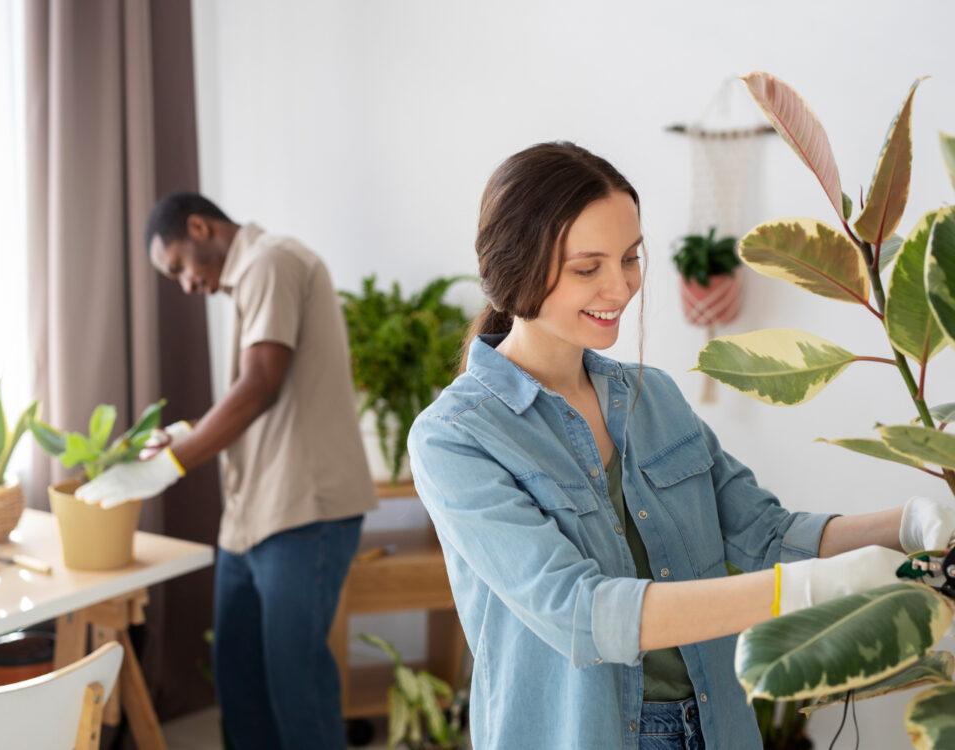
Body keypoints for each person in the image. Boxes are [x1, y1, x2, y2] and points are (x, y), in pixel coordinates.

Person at [406, 142, 955, 750]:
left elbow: (765, 533)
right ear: (517, 268)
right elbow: (581, 612)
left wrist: (907, 525)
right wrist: (800, 592)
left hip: (716, 728)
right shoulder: (456, 438)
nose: (620, 288)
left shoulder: (653, 398)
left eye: (632, 258)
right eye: (588, 268)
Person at [76, 192, 378, 750]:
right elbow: (266, 396)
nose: (186, 285)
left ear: (199, 227)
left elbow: (261, 383)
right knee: (238, 679)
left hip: (303, 513)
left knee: (295, 686)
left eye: (178, 268)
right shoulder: (252, 279)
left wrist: (171, 463)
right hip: (253, 516)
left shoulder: (270, 260)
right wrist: (188, 435)